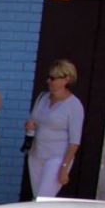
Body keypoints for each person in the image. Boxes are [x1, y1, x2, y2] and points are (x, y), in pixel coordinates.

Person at [25, 58, 84, 198]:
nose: (48, 81)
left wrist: (64, 167)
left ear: (66, 79)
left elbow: (74, 141)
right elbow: (33, 121)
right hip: (36, 154)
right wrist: (29, 127)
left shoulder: (74, 105)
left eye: (53, 78)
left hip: (57, 158)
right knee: (36, 197)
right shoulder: (42, 98)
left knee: (43, 198)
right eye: (48, 77)